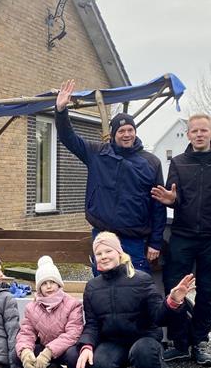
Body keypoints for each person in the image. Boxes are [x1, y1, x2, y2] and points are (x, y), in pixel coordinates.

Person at [151, 113, 211, 368]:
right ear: (189, 134)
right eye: (194, 131)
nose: (199, 135)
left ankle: (199, 343)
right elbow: (174, 196)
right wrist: (172, 201)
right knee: (175, 288)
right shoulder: (179, 162)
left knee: (207, 291)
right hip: (182, 236)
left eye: (204, 130)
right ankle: (181, 344)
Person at [74, 232, 195, 368]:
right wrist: (86, 346)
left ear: (119, 252)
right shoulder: (92, 287)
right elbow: (92, 324)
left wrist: (173, 301)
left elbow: (158, 317)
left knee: (144, 352)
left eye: (108, 251)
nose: (104, 256)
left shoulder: (141, 279)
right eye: (99, 253)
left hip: (143, 339)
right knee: (99, 364)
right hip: (113, 341)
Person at [54, 80, 165, 273]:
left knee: (135, 289)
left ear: (135, 132)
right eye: (121, 131)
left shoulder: (151, 163)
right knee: (102, 289)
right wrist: (61, 110)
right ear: (113, 134)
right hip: (103, 237)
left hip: (134, 241)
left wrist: (155, 242)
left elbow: (158, 206)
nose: (126, 134)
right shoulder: (97, 153)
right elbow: (68, 138)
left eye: (130, 130)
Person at [15, 256, 84, 368]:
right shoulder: (31, 307)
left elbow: (73, 334)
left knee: (73, 355)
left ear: (59, 284)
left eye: (52, 282)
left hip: (68, 348)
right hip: (48, 347)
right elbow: (26, 332)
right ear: (39, 287)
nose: (49, 286)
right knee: (15, 355)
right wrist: (25, 352)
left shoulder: (72, 304)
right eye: (44, 283)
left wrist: (48, 352)